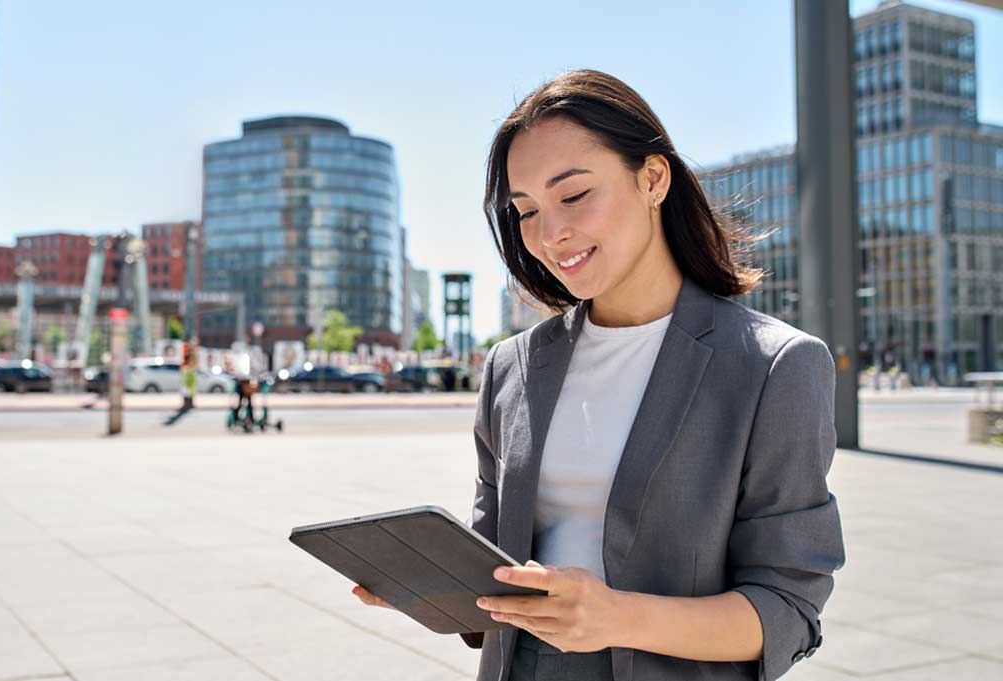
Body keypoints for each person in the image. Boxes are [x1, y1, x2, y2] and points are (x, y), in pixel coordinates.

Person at [352, 70, 844, 681]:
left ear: (653, 178)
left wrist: (616, 618)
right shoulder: (512, 367)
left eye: (575, 195)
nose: (549, 233)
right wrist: (431, 588)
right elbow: (493, 575)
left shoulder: (774, 366)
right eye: (525, 209)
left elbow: (788, 610)